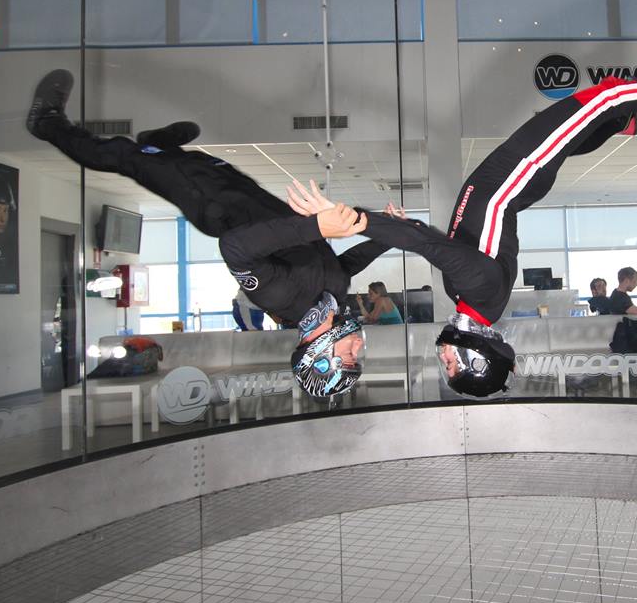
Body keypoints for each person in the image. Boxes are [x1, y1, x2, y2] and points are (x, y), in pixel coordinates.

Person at [288, 18, 637, 398]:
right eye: (452, 364)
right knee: (602, 97)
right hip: (516, 172)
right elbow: (429, 246)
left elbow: (446, 241)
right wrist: (358, 222)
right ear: (476, 357)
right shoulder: (481, 293)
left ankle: (621, 121)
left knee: (578, 122)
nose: (443, 358)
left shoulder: (470, 299)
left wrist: (396, 225)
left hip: (513, 178)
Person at [25, 70, 395, 399]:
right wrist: (388, 235)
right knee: (197, 161)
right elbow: (342, 266)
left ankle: (48, 123)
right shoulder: (331, 299)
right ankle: (159, 143)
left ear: (322, 355)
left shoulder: (281, 297)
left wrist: (316, 227)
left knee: (125, 157)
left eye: (350, 356)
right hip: (246, 196)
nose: (358, 348)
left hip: (212, 204)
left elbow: (235, 248)